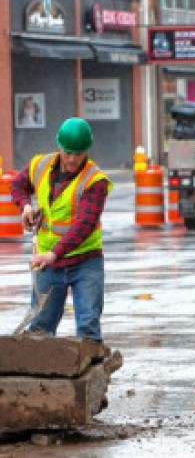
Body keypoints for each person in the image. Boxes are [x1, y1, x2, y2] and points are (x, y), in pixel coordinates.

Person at [10, 118, 110, 342]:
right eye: (68, 153)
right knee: (40, 328)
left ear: (86, 150)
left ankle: (89, 373)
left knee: (88, 327)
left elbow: (84, 224)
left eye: (78, 153)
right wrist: (26, 206)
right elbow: (17, 185)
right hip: (48, 262)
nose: (73, 159)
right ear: (59, 147)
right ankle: (39, 374)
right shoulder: (40, 165)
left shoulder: (95, 180)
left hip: (85, 261)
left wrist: (54, 253)